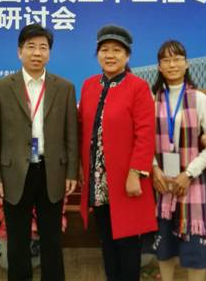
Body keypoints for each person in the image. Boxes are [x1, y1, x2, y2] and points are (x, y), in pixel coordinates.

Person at [0, 23, 78, 281]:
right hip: (14, 173)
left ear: (49, 53)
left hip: (51, 170)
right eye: (31, 47)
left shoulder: (65, 87)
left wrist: (72, 172)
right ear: (19, 51)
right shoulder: (1, 87)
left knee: (52, 238)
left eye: (43, 47)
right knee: (17, 238)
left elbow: (71, 134)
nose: (37, 52)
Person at [79, 24, 157, 281]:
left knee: (127, 241)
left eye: (116, 50)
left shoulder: (138, 87)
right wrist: (82, 168)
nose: (110, 55)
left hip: (126, 179)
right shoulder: (89, 85)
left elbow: (145, 134)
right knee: (107, 240)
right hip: (98, 180)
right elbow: (82, 130)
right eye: (104, 50)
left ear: (127, 56)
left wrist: (136, 173)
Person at [149, 40, 206, 281]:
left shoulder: (200, 99)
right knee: (164, 245)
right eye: (166, 60)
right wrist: (155, 169)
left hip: (192, 183)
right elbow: (142, 140)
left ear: (186, 63)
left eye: (177, 59)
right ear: (159, 66)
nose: (172, 65)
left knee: (195, 246)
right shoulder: (150, 98)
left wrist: (189, 173)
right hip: (161, 183)